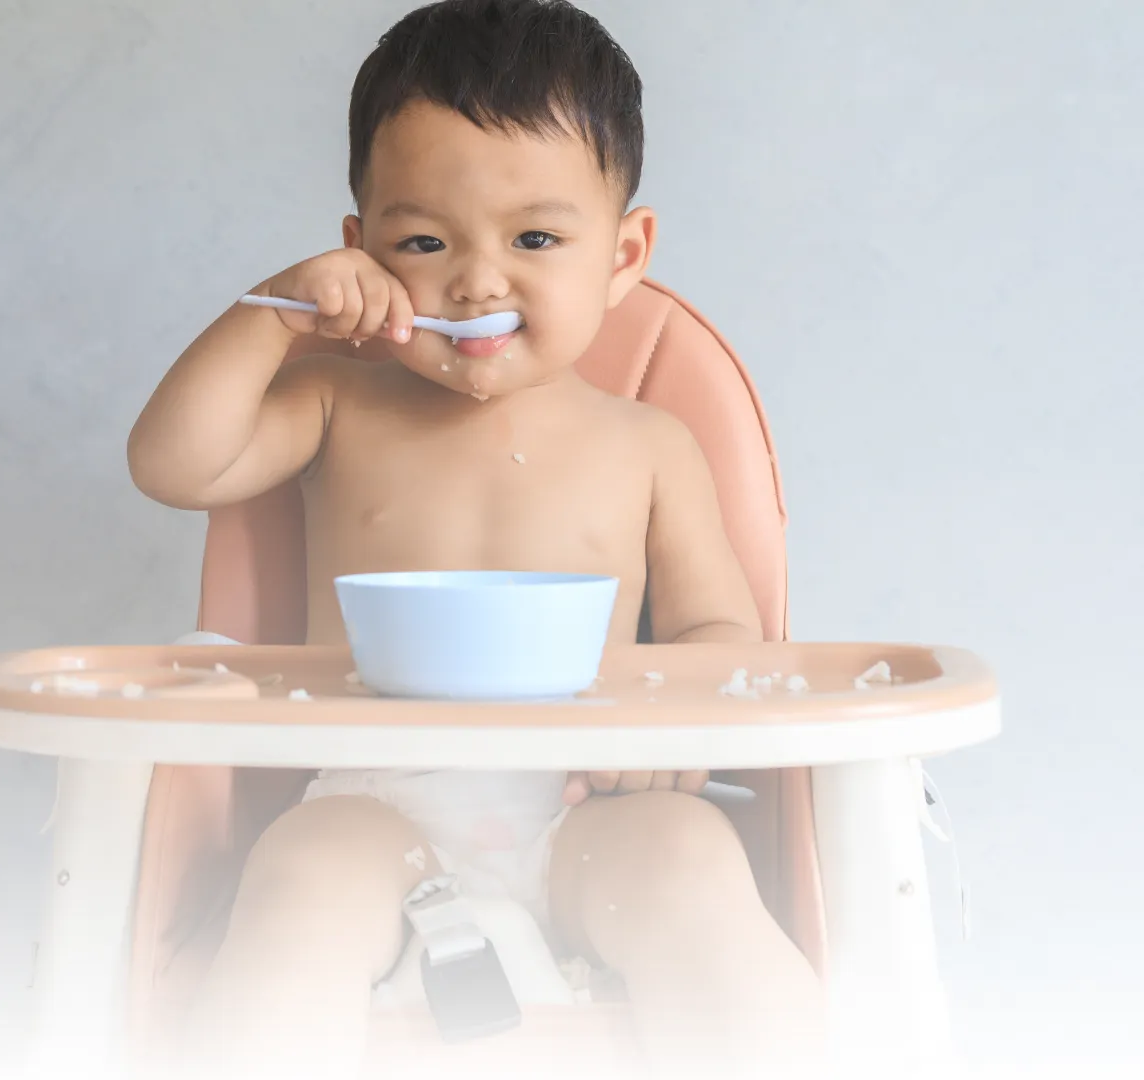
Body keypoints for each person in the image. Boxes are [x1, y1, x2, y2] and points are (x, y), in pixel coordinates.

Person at [126, 2, 827, 1076]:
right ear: (358, 251)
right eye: (423, 242)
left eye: (536, 239)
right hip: (372, 801)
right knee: (297, 889)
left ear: (624, 252)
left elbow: (720, 628)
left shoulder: (652, 442)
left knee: (692, 866)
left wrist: (671, 735)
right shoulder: (333, 404)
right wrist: (272, 316)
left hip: (587, 801)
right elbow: (172, 465)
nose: (478, 279)